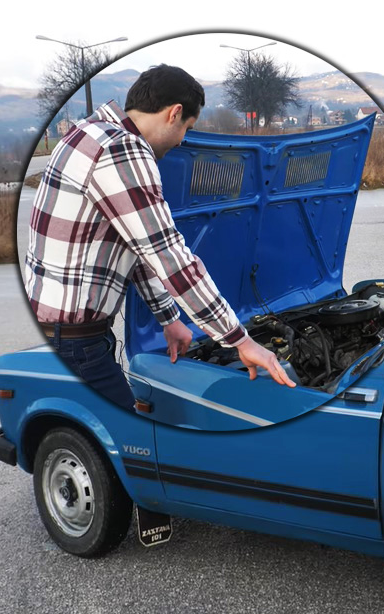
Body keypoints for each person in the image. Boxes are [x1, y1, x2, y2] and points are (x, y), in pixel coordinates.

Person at [25, 64, 295, 410]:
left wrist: (170, 319)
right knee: (124, 448)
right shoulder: (122, 151)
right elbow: (170, 258)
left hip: (67, 334)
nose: (183, 139)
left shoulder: (88, 133)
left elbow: (134, 245)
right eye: (188, 127)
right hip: (76, 343)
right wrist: (240, 341)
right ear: (175, 113)